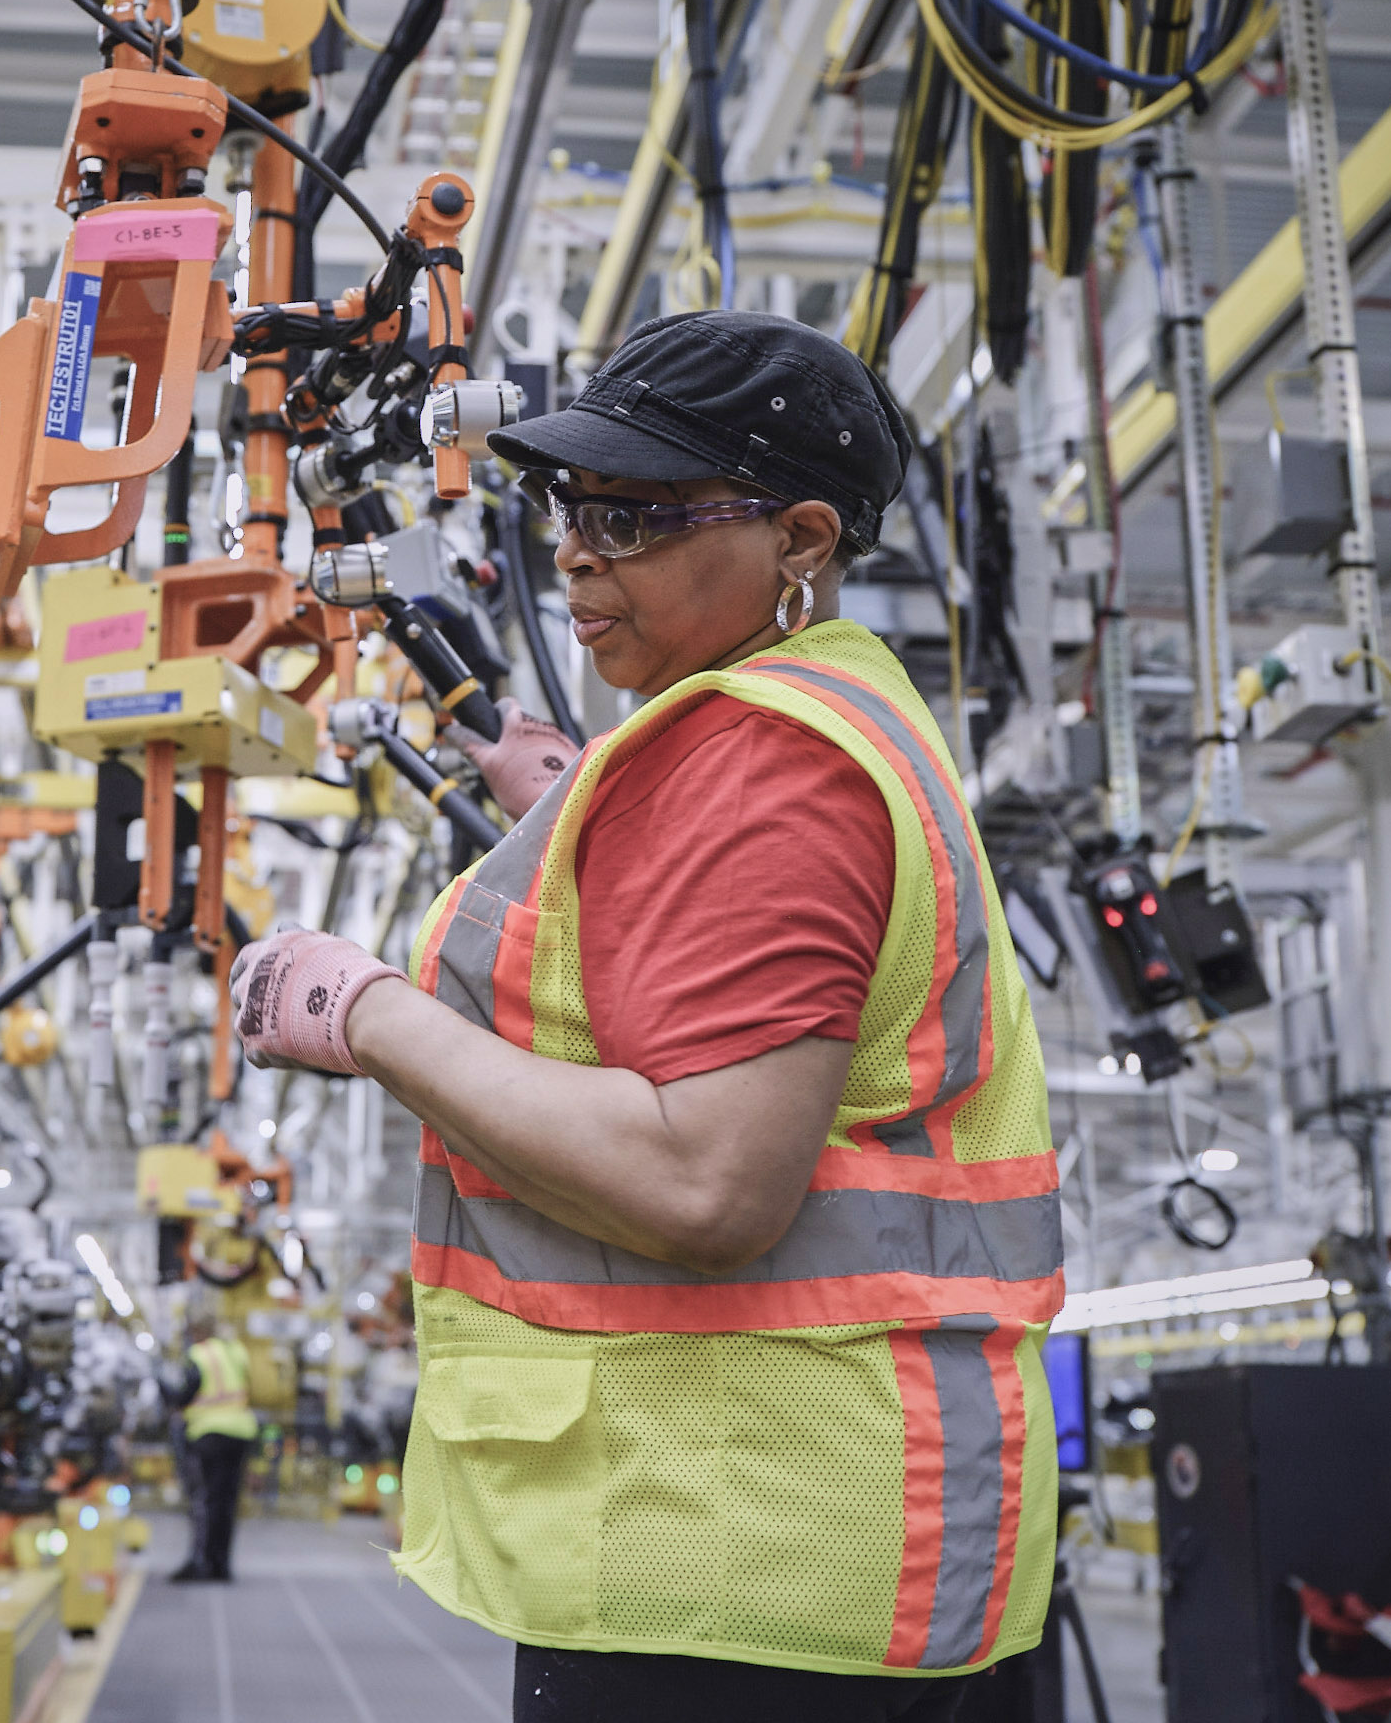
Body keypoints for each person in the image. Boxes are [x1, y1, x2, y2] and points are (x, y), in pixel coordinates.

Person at [232, 311, 1062, 1721]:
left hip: (740, 1564)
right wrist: (595, 808)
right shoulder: (806, 719)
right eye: (567, 502)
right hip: (797, 1545)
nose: (576, 547)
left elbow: (706, 1181)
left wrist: (362, 1012)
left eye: (637, 512)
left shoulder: (769, 763)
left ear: (801, 540)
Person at [165, 1315, 256, 1583]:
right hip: (240, 1431)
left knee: (204, 1500)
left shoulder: (199, 1355)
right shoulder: (237, 1352)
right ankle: (221, 1565)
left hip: (208, 1434)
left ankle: (199, 1562)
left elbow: (184, 1395)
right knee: (226, 1503)